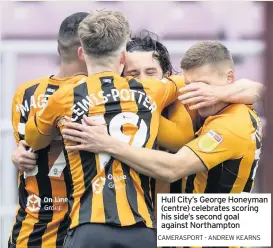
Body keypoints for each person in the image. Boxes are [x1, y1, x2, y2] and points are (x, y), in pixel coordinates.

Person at [24, 10, 189, 248]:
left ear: (82, 53)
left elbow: (35, 140)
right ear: (123, 58)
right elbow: (181, 81)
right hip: (142, 227)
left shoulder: (62, 97)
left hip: (89, 228)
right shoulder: (152, 91)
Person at [62, 40, 262, 196]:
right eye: (132, 75)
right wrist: (30, 151)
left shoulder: (194, 103)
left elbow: (259, 89)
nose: (143, 82)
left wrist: (219, 93)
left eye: (150, 73)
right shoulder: (103, 110)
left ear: (166, 76)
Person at [9, 12, 88, 248]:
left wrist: (17, 155)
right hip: (88, 224)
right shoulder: (98, 92)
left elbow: (25, 152)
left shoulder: (26, 92)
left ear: (58, 47)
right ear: (86, 51)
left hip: (31, 228)